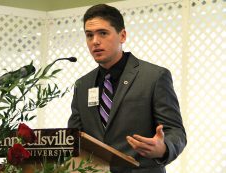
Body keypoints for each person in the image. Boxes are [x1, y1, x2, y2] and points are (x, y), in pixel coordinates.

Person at [68, 4, 187, 173]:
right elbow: (74, 137)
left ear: (122, 35)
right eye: (89, 35)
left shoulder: (154, 76)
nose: (95, 41)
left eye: (103, 33)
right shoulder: (82, 85)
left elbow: (175, 131)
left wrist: (163, 148)